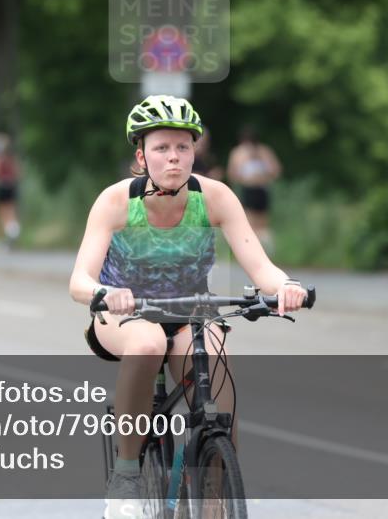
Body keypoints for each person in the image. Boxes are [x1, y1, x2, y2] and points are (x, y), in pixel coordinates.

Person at [69, 95, 308, 519]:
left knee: (216, 364)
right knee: (145, 346)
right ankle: (125, 474)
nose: (174, 158)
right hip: (124, 316)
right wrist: (104, 293)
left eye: (183, 147)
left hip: (191, 316)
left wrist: (287, 287)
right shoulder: (116, 202)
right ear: (142, 156)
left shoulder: (214, 197)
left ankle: (214, 489)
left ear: (195, 151)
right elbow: (79, 281)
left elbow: (261, 266)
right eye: (162, 148)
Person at [226, 125, 282, 251]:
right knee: (250, 222)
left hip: (261, 190)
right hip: (248, 190)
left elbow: (276, 171)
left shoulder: (264, 151)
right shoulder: (238, 153)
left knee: (262, 224)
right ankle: (252, 249)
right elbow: (232, 174)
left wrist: (263, 174)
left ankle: (265, 250)